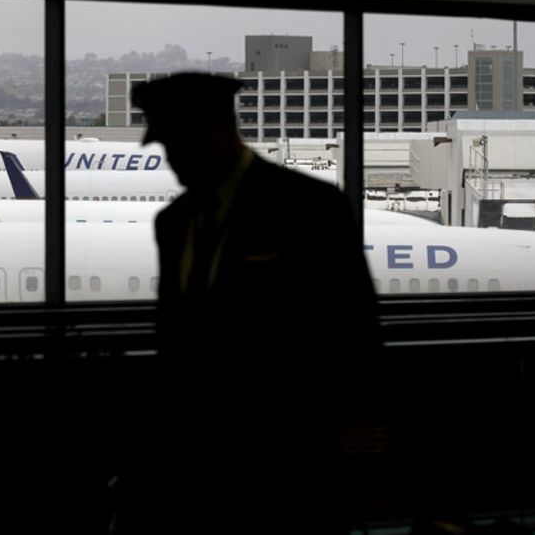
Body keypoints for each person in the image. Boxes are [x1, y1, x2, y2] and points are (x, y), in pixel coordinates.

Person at [125, 72, 380, 533]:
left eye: (180, 143)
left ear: (218, 130)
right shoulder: (174, 222)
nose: (172, 161)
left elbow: (353, 325)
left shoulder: (309, 207)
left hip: (287, 446)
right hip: (198, 450)